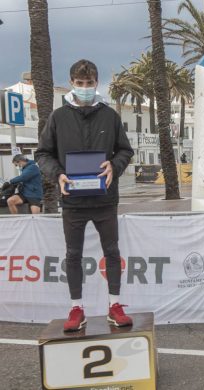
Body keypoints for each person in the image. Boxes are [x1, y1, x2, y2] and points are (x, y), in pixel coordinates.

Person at [35, 59, 134, 332]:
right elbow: (43, 154)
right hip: (72, 202)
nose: (85, 88)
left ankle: (115, 305)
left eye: (89, 84)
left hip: (105, 200)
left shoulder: (110, 116)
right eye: (80, 84)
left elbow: (125, 150)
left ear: (96, 83)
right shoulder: (58, 117)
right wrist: (58, 174)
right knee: (73, 255)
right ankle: (77, 308)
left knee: (112, 252)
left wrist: (115, 165)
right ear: (71, 84)